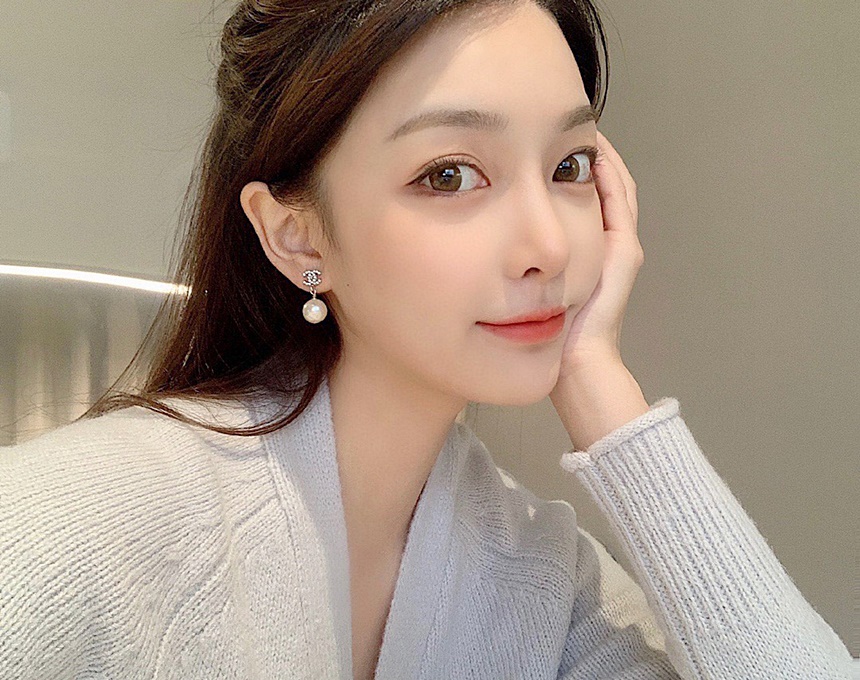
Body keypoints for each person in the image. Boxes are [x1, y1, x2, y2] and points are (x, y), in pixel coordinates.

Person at [0, 0, 854, 678]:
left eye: (568, 166)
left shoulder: (547, 582)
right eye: (449, 175)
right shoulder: (71, 527)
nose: (549, 247)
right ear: (297, 236)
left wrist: (601, 385)